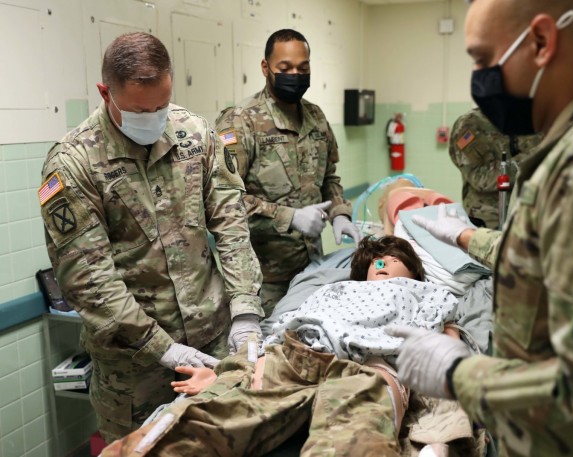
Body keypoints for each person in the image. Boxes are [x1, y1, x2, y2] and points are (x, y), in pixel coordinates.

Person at [388, 0, 573, 455]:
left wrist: (457, 375)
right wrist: (466, 236)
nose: (480, 76)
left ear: (541, 42)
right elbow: (549, 255)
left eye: (484, 59)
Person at [38, 32, 263, 442]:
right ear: (105, 92)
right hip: (133, 363)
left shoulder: (194, 133)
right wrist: (161, 347)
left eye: (162, 105)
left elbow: (231, 222)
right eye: (141, 110)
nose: (155, 117)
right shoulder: (74, 162)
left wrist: (245, 310)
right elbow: (89, 280)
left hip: (211, 336)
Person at [99, 236, 464, 457]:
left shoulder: (428, 293)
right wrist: (230, 372)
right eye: (375, 262)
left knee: (354, 438)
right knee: (202, 425)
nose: (382, 266)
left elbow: (450, 353)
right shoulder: (333, 289)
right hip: (296, 356)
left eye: (393, 260)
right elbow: (281, 332)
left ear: (414, 271)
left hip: (370, 370)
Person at [215, 29, 361, 317]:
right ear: (265, 67)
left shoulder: (316, 117)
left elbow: (328, 177)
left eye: (302, 68)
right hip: (263, 281)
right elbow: (224, 199)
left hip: (312, 267)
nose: (295, 74)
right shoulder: (240, 122)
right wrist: (290, 217)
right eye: (285, 68)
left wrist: (340, 213)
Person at [449, 107, 542, 229]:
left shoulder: (536, 119)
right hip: (488, 223)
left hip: (529, 216)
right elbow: (481, 178)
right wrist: (532, 161)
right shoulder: (471, 123)